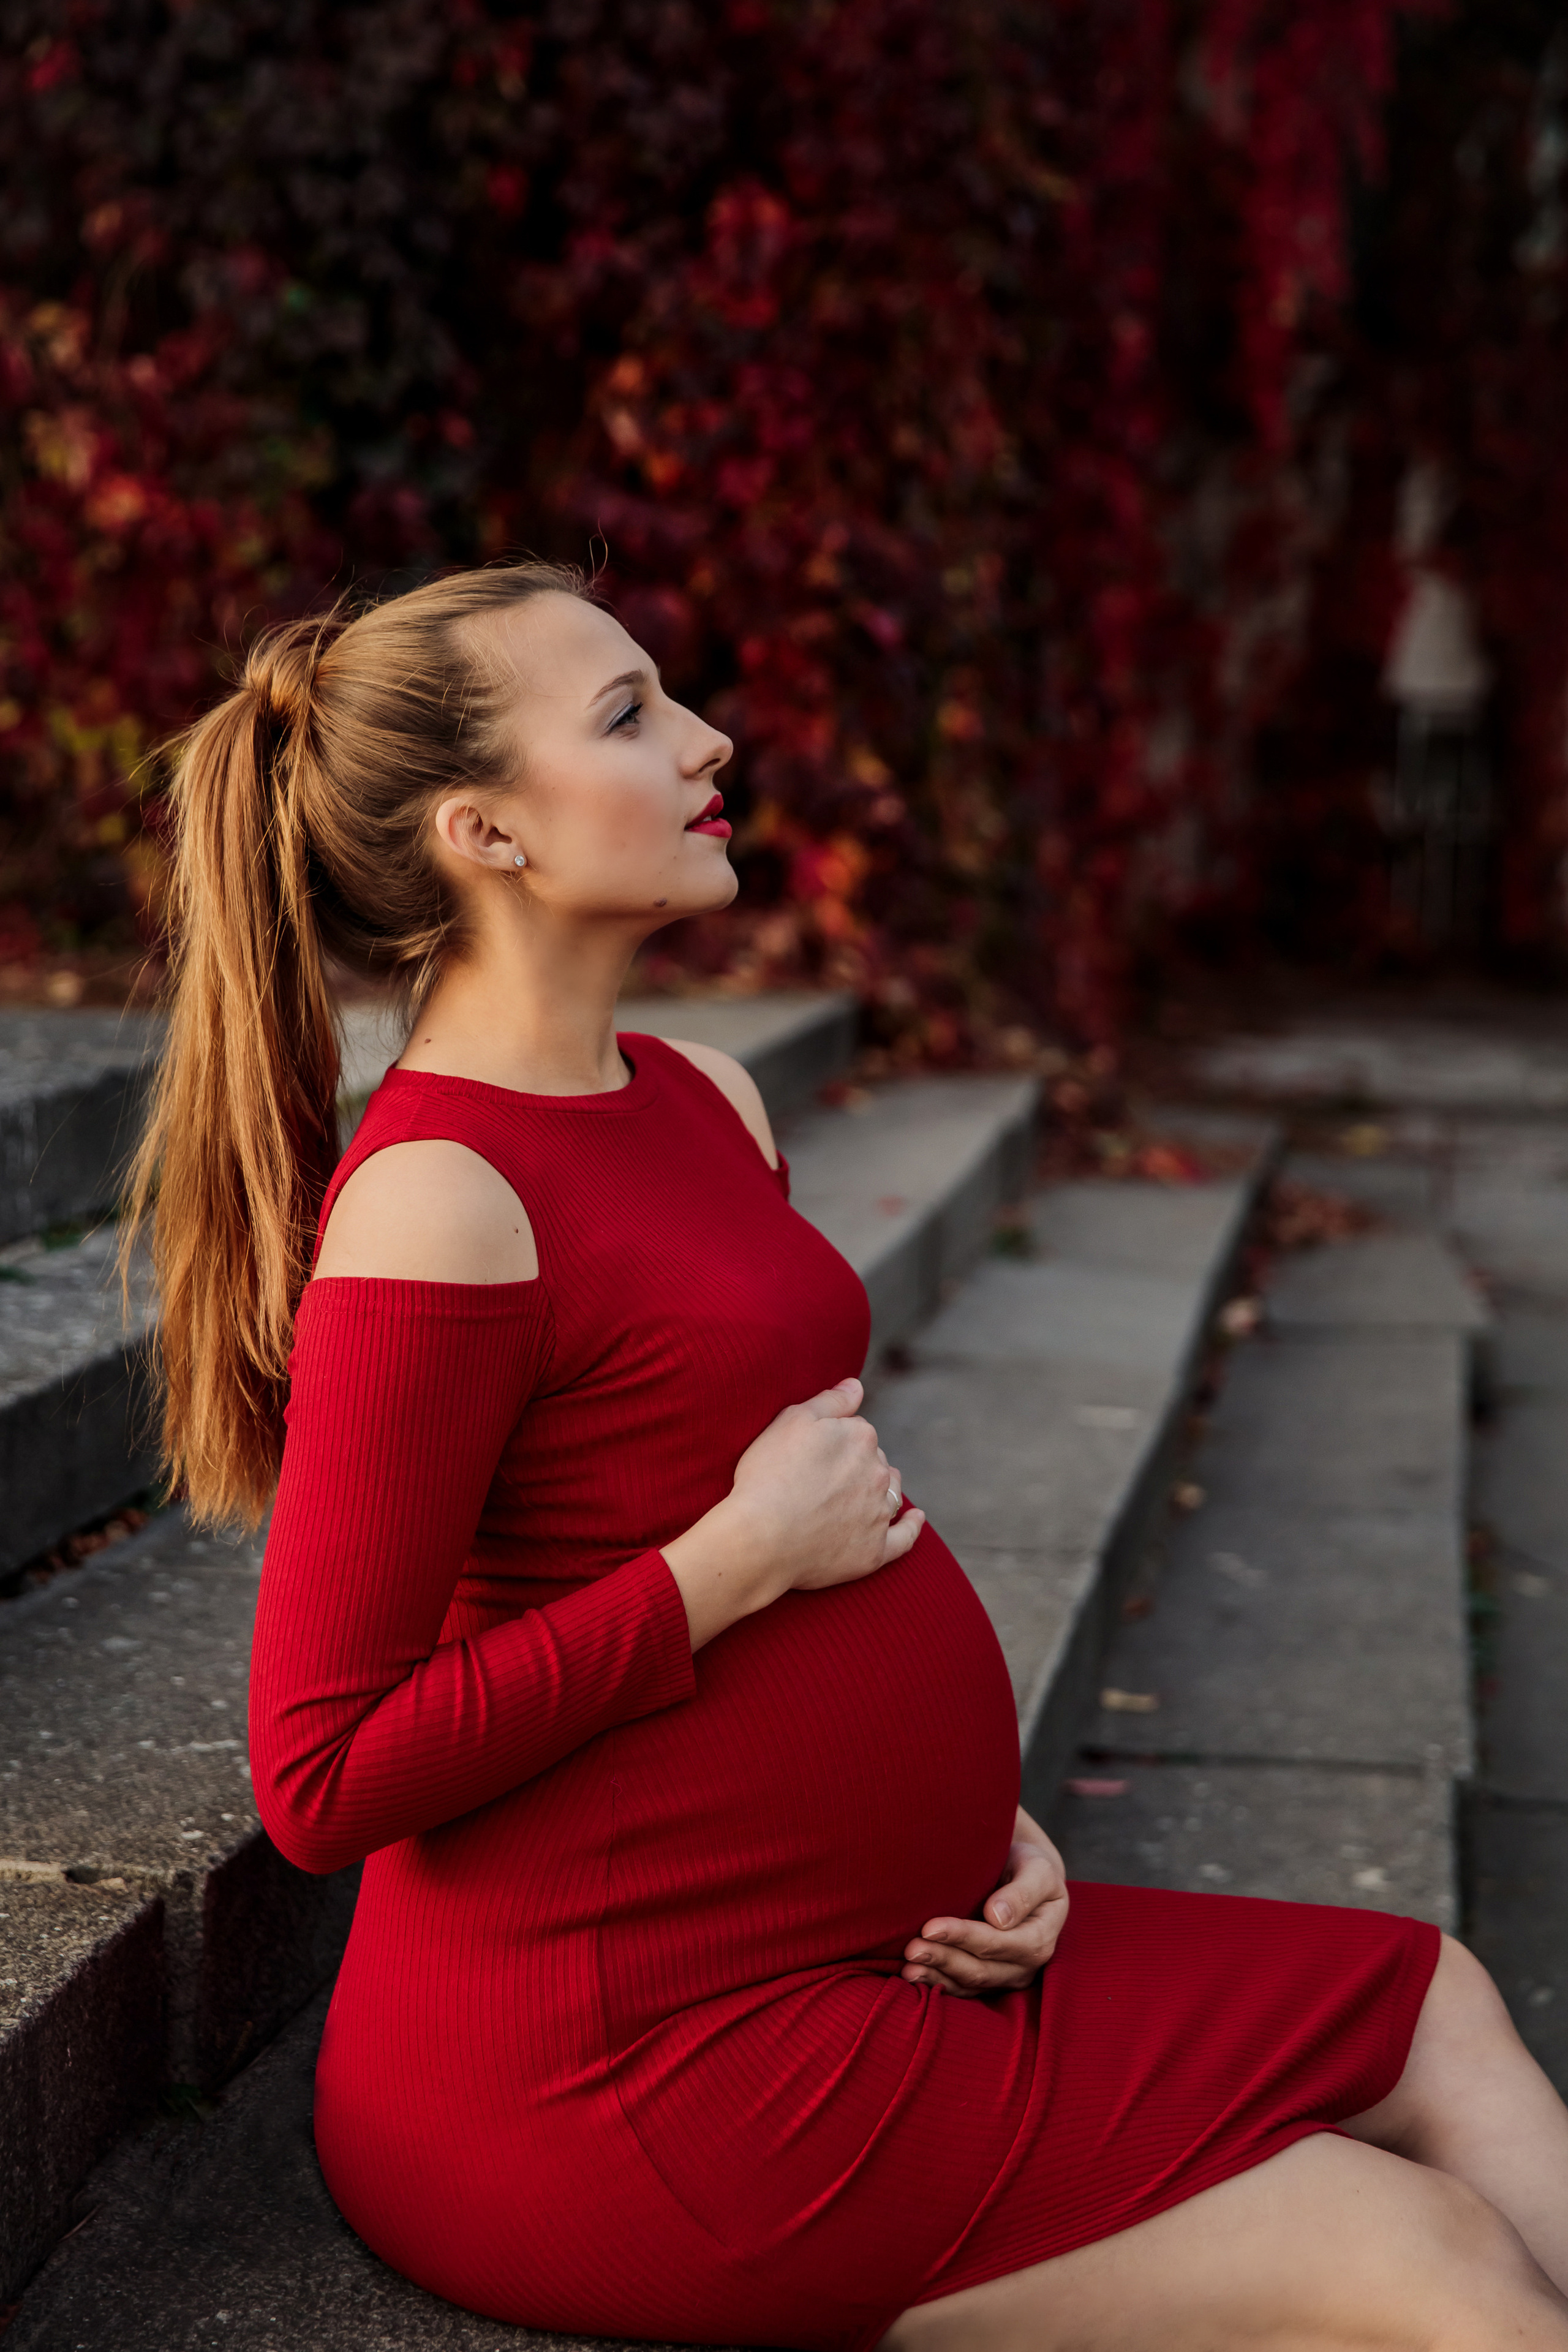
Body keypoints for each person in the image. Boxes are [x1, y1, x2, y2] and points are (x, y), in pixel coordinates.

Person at [127, 560, 1568, 2352]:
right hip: (623, 2081)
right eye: (630, 715)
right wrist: (728, 1566)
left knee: (1429, 2003)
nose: (709, 741)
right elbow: (323, 1771)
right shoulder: (440, 1201)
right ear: (486, 833)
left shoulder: (703, 1100)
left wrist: (980, 1834)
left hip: (882, 1946)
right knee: (1427, 2263)